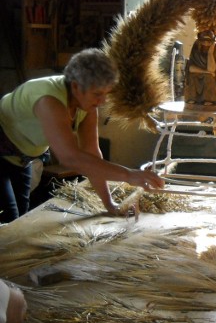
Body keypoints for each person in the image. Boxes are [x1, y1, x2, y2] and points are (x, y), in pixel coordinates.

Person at [0, 48, 165, 223]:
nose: (102, 102)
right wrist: (129, 175)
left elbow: (92, 154)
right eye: (97, 94)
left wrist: (110, 204)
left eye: (106, 94)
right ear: (76, 86)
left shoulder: (87, 107)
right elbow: (70, 158)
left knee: (19, 219)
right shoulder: (49, 100)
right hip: (3, 152)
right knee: (10, 218)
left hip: (22, 159)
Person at [184, 30, 216, 109]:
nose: (206, 43)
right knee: (193, 76)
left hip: (211, 75)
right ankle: (192, 98)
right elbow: (191, 68)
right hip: (198, 71)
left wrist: (210, 53)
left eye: (209, 41)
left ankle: (209, 99)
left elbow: (212, 69)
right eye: (204, 41)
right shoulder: (196, 45)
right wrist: (205, 71)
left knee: (208, 77)